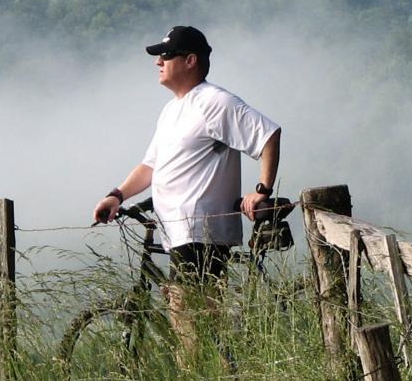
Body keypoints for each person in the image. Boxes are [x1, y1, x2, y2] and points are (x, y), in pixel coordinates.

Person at [90, 25, 282, 364]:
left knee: (187, 321)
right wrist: (117, 195)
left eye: (165, 55)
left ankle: (200, 371)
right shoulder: (172, 110)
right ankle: (221, 368)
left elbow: (267, 135)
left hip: (200, 232)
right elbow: (150, 165)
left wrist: (261, 190)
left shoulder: (215, 102)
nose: (158, 62)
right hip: (176, 230)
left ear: (190, 60)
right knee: (197, 322)